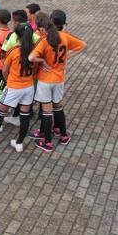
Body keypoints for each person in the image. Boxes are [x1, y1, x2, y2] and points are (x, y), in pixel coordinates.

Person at [28, 11, 86, 152]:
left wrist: (41, 60)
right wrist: (68, 57)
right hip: (59, 79)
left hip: (45, 80)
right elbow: (83, 45)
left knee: (47, 111)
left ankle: (47, 142)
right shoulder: (65, 37)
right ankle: (63, 135)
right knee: (58, 106)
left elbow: (31, 58)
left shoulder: (45, 40)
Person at [0, 23, 36, 152]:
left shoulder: (14, 51)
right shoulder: (35, 51)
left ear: (17, 36)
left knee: (0, 113)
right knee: (24, 116)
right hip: (28, 87)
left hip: (13, 87)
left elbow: (5, 70)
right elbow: (35, 70)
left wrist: (9, 80)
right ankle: (19, 143)